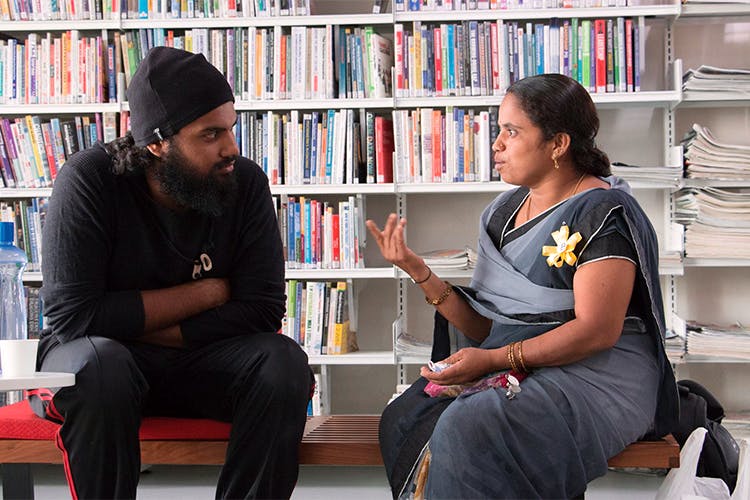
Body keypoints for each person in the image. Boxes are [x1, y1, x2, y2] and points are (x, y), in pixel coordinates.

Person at [367, 73, 679, 499]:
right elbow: (489, 327)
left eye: (511, 132)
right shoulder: (502, 213)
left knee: (473, 423)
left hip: (599, 373)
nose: (496, 144)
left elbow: (598, 331)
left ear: (558, 144)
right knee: (406, 413)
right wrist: (419, 271)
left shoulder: (603, 212)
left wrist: (497, 358)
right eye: (499, 130)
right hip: (523, 364)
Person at [29, 46, 312, 500]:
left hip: (194, 364)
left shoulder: (246, 184)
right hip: (99, 370)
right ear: (156, 143)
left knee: (283, 364)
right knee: (102, 364)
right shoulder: (88, 180)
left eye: (231, 129)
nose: (231, 149)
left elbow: (262, 310)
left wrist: (134, 321)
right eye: (210, 134)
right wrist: (209, 293)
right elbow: (73, 319)